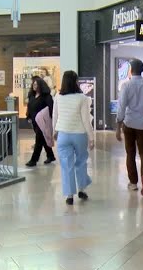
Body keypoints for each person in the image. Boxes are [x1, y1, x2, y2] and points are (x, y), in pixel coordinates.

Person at [115, 58, 143, 197]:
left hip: (129, 123)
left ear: (131, 70)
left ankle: (133, 183)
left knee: (130, 153)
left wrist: (118, 126)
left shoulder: (126, 86)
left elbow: (121, 107)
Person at [53, 70, 94, 205]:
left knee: (66, 165)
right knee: (81, 161)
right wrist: (91, 137)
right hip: (79, 134)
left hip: (63, 134)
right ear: (76, 82)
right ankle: (81, 188)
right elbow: (86, 120)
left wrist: (54, 131)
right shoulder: (82, 98)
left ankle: (69, 195)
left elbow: (55, 116)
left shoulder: (58, 96)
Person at [25, 76, 55, 167]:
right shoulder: (31, 95)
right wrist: (28, 116)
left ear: (40, 85)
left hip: (43, 122)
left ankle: (34, 160)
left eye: (36, 84)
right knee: (43, 139)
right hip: (34, 121)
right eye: (33, 84)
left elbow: (51, 109)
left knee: (38, 140)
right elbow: (29, 107)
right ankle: (50, 156)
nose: (34, 86)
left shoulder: (47, 96)